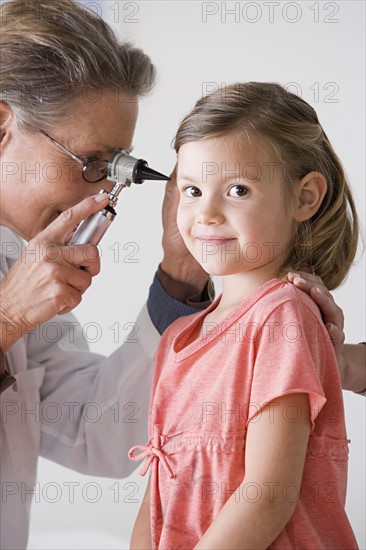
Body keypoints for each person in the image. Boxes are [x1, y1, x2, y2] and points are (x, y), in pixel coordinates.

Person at [0, 1, 363, 549]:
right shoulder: (16, 290)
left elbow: (102, 434)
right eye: (91, 162)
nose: (100, 193)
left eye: (114, 167)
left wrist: (180, 280)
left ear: (304, 198)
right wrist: (5, 317)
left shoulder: (272, 318)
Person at [129, 82, 360, 549]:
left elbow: (267, 494)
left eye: (237, 189)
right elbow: (158, 485)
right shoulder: (179, 337)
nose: (207, 213)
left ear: (306, 197)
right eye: (191, 190)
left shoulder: (282, 315)